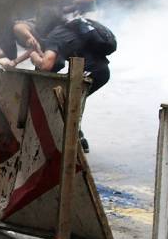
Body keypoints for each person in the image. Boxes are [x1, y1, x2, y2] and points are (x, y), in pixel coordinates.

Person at [29, 17, 116, 152]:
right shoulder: (69, 30)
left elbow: (46, 65)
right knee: (70, 104)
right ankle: (76, 139)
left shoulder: (54, 36)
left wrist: (34, 57)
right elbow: (58, 64)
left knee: (69, 104)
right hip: (101, 72)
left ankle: (75, 141)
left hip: (90, 72)